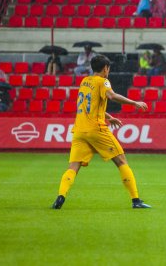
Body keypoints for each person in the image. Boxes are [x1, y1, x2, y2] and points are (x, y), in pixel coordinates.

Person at [52, 55, 151, 209]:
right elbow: (111, 95)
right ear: (105, 68)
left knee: (73, 167)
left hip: (79, 129)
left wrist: (109, 116)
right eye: (108, 68)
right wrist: (134, 103)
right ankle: (136, 200)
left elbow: (88, 106)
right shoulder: (103, 81)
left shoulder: (85, 82)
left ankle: (60, 196)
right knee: (121, 161)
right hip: (95, 129)